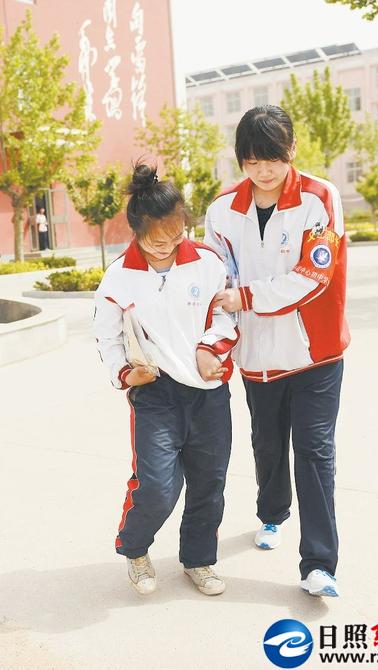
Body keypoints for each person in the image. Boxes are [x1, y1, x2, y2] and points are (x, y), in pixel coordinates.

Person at [204, 105, 350, 598]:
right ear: (240, 159)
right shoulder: (222, 209)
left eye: (273, 159)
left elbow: (314, 276)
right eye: (252, 161)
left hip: (316, 354)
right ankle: (272, 514)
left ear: (291, 151)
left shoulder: (319, 198)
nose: (264, 171)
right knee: (267, 446)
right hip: (258, 358)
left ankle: (319, 565)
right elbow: (215, 284)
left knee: (315, 452)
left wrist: (246, 297)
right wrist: (216, 342)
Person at [94, 162, 239, 596]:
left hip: (208, 392)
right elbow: (106, 337)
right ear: (136, 231)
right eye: (158, 241)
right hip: (155, 394)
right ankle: (135, 549)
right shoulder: (119, 277)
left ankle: (199, 560)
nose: (170, 247)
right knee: (157, 485)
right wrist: (126, 374)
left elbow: (225, 315)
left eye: (177, 236)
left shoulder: (207, 262)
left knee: (209, 483)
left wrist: (210, 348)